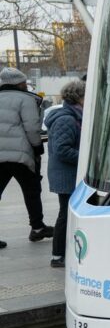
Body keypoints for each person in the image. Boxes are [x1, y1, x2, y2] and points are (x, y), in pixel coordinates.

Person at [0, 67, 51, 247]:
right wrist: (38, 148)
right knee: (31, 191)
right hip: (20, 155)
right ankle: (37, 228)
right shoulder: (26, 99)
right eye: (24, 82)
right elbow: (32, 127)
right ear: (19, 83)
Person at [45, 80, 86, 268]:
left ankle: (64, 251)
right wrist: (86, 158)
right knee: (65, 214)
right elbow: (62, 149)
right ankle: (57, 255)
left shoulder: (74, 115)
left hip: (69, 174)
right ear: (78, 97)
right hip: (66, 175)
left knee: (68, 213)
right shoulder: (67, 119)